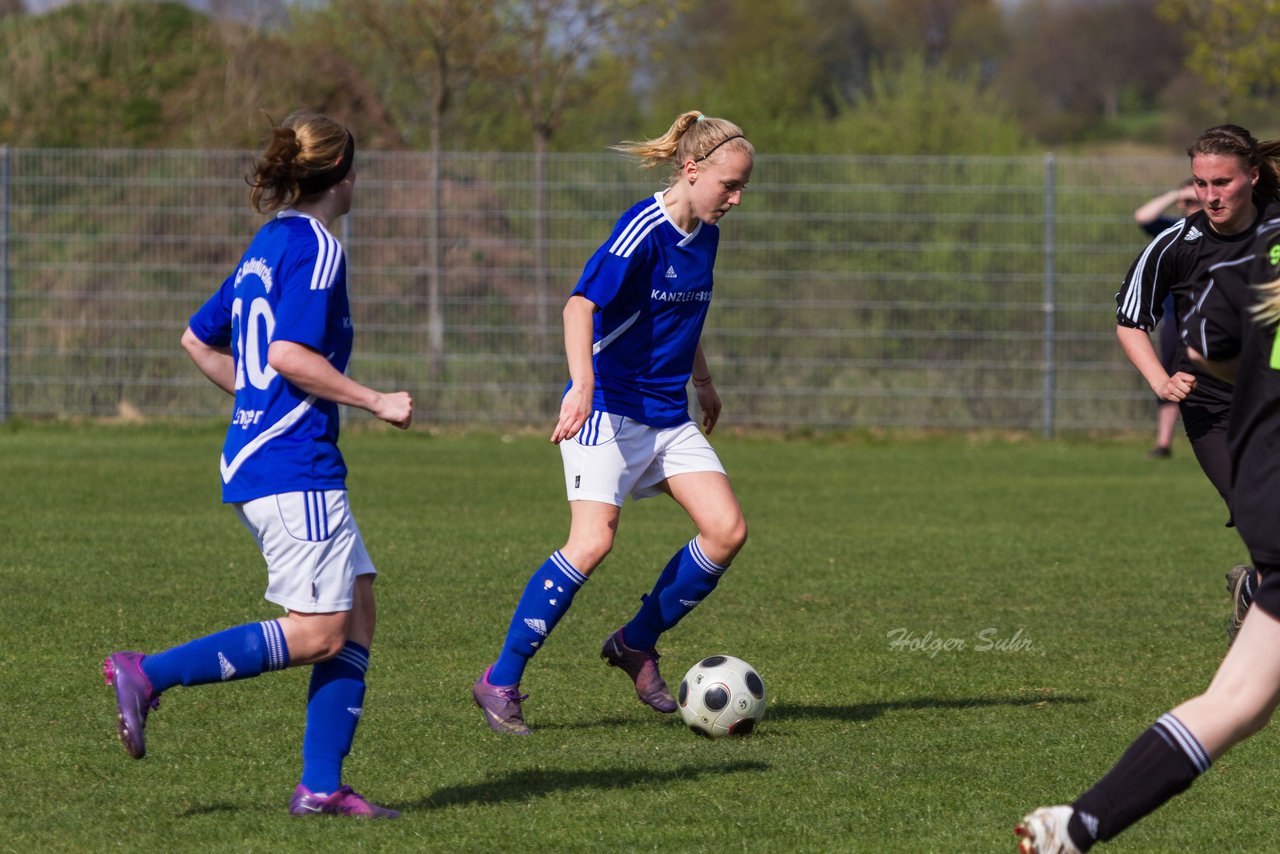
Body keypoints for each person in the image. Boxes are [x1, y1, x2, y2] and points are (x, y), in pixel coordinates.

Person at [102, 111, 412, 818]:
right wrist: (376, 401)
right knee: (321, 632)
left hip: (259, 456)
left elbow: (195, 338)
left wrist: (255, 405)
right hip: (294, 462)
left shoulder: (267, 243)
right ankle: (147, 674)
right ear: (341, 176)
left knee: (357, 609)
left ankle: (322, 786)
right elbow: (286, 355)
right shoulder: (320, 248)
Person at [471, 111, 753, 735]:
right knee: (593, 542)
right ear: (691, 169)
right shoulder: (641, 229)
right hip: (608, 410)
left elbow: (686, 316)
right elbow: (580, 305)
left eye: (742, 189)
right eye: (728, 185)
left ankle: (635, 642)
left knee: (726, 529)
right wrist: (583, 386)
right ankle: (500, 679)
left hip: (666, 415)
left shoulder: (706, 232)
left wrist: (703, 381)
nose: (735, 199)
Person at [1014, 210, 1280, 854]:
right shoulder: (1211, 241)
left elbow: (1206, 347)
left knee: (1237, 700)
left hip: (1273, 495)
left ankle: (1074, 827)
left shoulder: (1262, 251)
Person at [1115, 124, 1280, 644]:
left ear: (1252, 176)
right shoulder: (1175, 245)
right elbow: (1130, 320)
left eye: (1223, 183)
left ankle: (1255, 591)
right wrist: (1161, 382)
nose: (1210, 195)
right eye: (1201, 183)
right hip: (1215, 411)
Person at [1131, 181, 1201, 459]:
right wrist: (1175, 194)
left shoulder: (1225, 232)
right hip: (1176, 317)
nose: (1186, 206)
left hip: (1217, 317)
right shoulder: (1174, 231)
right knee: (1170, 374)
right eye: (1185, 202)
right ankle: (1164, 443)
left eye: (1191, 201)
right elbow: (1142, 217)